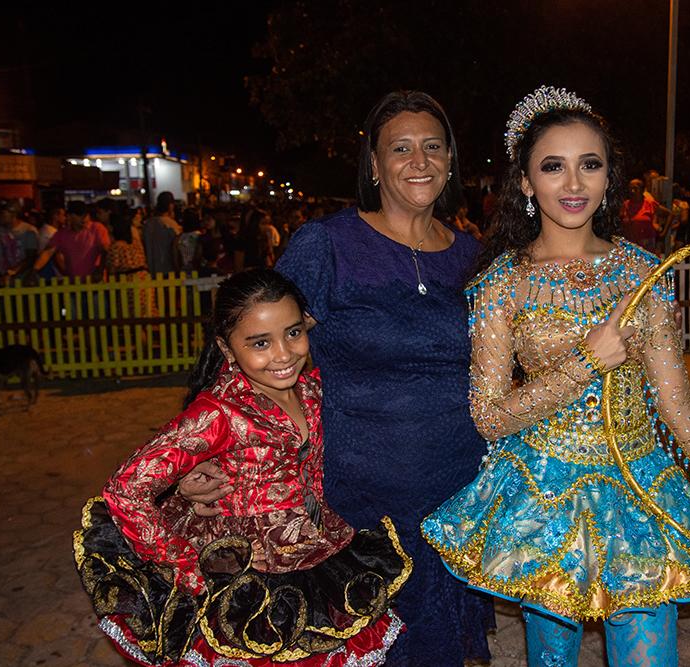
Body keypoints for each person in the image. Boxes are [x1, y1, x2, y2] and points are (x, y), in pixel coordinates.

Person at [421, 86, 690, 667]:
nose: (573, 184)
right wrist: (586, 361)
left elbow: (677, 403)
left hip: (641, 493)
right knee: (551, 658)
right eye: (553, 167)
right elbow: (489, 417)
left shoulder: (644, 274)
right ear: (525, 182)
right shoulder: (501, 285)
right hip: (544, 497)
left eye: (588, 165)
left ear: (608, 176)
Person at [182, 91, 496, 666]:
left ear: (451, 160)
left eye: (432, 147)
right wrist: (207, 447)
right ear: (374, 166)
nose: (419, 161)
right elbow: (253, 345)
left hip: (460, 491)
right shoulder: (328, 246)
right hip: (362, 499)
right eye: (400, 149)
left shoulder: (472, 255)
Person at [75, 268, 409, 667]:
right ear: (227, 348)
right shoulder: (219, 412)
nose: (283, 354)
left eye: (293, 333)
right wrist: (184, 566)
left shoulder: (311, 387)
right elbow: (126, 487)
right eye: (260, 343)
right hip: (250, 575)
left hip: (321, 551)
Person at [34, 201, 111, 279]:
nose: (84, 218)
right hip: (74, 282)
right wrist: (34, 270)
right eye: (79, 215)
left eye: (86, 215)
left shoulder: (97, 228)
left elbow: (105, 250)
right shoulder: (62, 234)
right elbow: (47, 252)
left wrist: (100, 270)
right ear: (70, 216)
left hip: (95, 282)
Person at [0, 201, 39, 288]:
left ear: (13, 215)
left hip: (22, 279)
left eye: (2, 213)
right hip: (1, 277)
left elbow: (31, 258)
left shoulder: (29, 230)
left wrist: (10, 273)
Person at [143, 191, 181, 275]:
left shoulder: (147, 224)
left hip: (152, 269)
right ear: (170, 206)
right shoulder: (171, 224)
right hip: (168, 269)